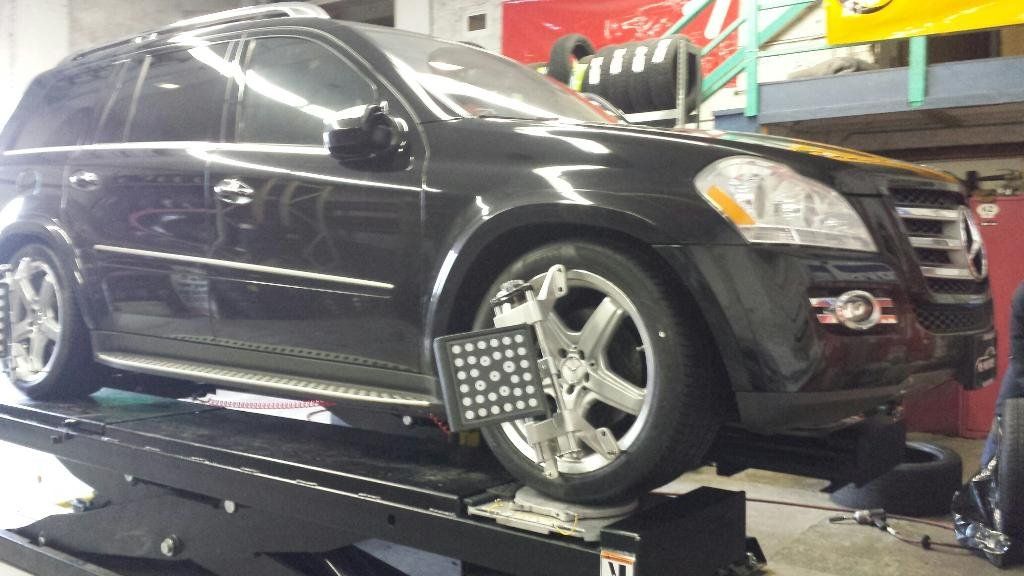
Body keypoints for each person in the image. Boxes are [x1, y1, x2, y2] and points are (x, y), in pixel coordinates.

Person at [982, 281, 1024, 465]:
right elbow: (1019, 352)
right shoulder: (1022, 297)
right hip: (1022, 367)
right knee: (1003, 417)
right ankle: (986, 479)